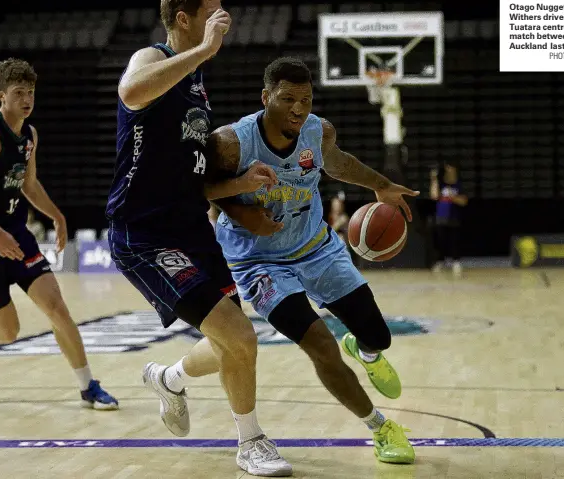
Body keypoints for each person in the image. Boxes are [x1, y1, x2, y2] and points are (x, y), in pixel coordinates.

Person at [164, 56, 419, 465]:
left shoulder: (318, 132)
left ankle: (366, 350)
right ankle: (380, 427)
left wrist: (382, 185)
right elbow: (197, 188)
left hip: (317, 248)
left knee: (378, 335)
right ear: (266, 98)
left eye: (306, 99)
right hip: (259, 262)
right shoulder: (231, 142)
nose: (299, 109)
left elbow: (337, 164)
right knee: (320, 344)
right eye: (287, 99)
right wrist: (244, 211)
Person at [105, 0, 291, 476]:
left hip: (190, 228)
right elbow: (130, 91)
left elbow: (190, 182)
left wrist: (238, 183)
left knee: (233, 337)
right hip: (144, 236)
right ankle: (250, 442)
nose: (223, 17)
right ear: (184, 19)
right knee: (242, 337)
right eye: (212, 12)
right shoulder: (154, 56)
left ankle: (168, 378)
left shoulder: (196, 83)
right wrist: (204, 49)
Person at [0, 58, 118, 410]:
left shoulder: (29, 135)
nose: (27, 99)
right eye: (19, 92)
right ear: (0, 96)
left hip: (16, 234)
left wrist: (57, 216)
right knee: (7, 332)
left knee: (57, 308)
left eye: (31, 92)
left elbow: (28, 183)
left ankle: (88, 386)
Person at [429, 162, 468, 275]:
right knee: (441, 241)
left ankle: (456, 262)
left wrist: (453, 197)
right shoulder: (440, 184)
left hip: (454, 218)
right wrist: (434, 179)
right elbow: (434, 196)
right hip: (441, 218)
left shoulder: (459, 185)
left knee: (454, 241)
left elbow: (464, 201)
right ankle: (440, 261)